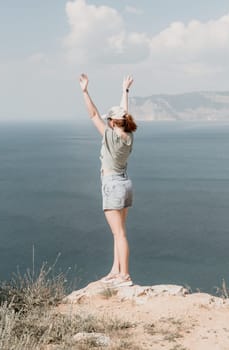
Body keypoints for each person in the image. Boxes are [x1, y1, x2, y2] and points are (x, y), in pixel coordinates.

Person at [79, 73, 138, 287]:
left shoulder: (110, 136)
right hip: (125, 184)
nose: (107, 121)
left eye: (109, 119)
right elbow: (124, 113)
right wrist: (125, 90)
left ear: (113, 122)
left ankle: (125, 275)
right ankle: (115, 270)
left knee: (119, 234)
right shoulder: (128, 135)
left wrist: (85, 91)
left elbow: (93, 114)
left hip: (112, 185)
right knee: (119, 232)